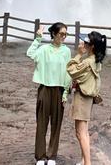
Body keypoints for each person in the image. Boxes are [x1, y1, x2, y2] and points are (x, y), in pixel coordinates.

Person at [27, 21, 72, 165]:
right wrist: (38, 38)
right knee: (42, 123)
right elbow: (30, 53)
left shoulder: (67, 51)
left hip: (59, 90)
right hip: (45, 89)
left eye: (65, 34)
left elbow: (68, 73)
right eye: (61, 34)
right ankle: (40, 156)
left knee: (56, 124)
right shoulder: (44, 49)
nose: (63, 37)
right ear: (53, 34)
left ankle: (52, 156)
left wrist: (66, 92)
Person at [67, 31, 107, 165]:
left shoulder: (87, 62)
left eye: (86, 42)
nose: (83, 44)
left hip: (82, 98)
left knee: (80, 133)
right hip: (87, 99)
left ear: (92, 46)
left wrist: (79, 54)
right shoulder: (96, 60)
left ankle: (87, 163)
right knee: (84, 131)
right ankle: (84, 159)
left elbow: (71, 70)